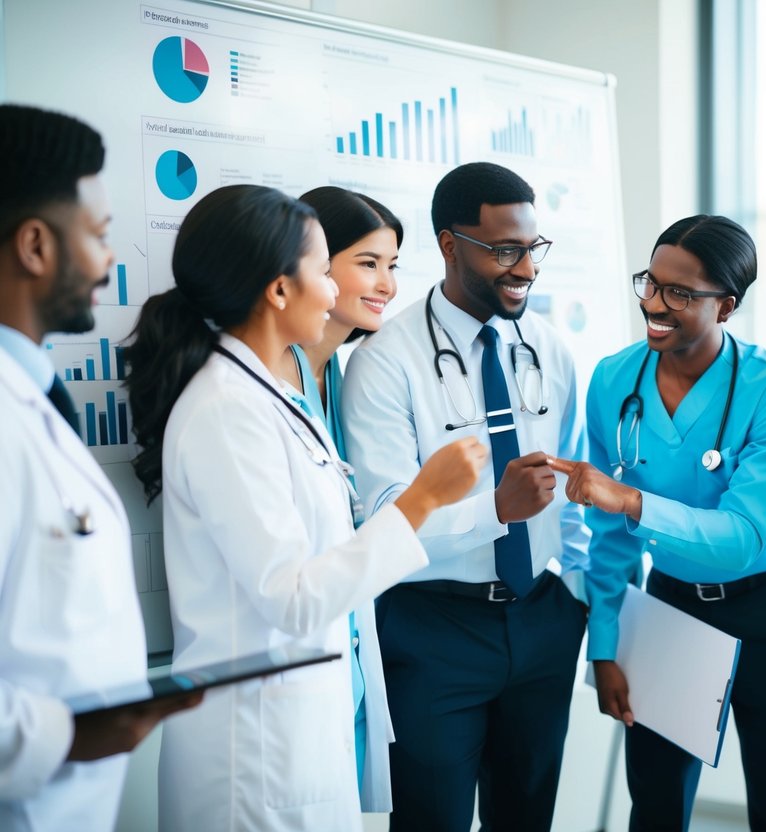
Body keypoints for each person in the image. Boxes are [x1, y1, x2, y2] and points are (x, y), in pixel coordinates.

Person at [124, 183, 487, 831]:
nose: (336, 290)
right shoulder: (226, 412)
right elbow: (291, 597)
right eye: (325, 270)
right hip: (254, 752)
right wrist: (423, 499)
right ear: (279, 289)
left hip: (298, 728)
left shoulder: (270, 399)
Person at [551, 215, 766, 832]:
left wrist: (630, 500)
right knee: (655, 804)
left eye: (680, 293)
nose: (655, 302)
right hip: (670, 608)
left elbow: (740, 538)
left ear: (726, 306)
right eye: (650, 282)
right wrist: (606, 644)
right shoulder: (614, 379)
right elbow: (610, 537)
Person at [340, 161, 589, 832]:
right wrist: (494, 510)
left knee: (526, 815)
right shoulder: (383, 362)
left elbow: (573, 492)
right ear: (450, 245)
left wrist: (574, 595)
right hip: (433, 630)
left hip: (541, 619)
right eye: (503, 249)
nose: (525, 268)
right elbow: (386, 515)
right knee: (432, 820)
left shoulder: (549, 349)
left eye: (532, 248)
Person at [0, 103, 199, 832]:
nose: (108, 262)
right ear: (34, 245)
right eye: (99, 235)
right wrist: (73, 734)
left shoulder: (30, 395)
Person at [275, 185, 402, 811]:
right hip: (293, 661)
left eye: (393, 266)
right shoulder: (269, 378)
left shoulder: (340, 375)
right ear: (317, 264)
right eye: (370, 263)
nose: (387, 285)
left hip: (345, 651)